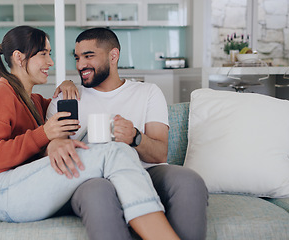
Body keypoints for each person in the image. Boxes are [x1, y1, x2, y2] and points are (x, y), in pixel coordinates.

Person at [0, 25, 181, 240]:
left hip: (24, 185)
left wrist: (69, 85)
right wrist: (44, 135)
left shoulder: (35, 101)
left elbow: (53, 127)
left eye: (50, 54)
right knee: (115, 152)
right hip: (0, 193)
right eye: (43, 54)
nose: (51, 62)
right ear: (19, 58)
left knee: (112, 149)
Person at [46, 27, 209, 240]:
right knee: (98, 192)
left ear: (113, 56)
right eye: (77, 58)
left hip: (146, 174)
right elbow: (55, 154)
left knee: (189, 181)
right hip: (92, 179)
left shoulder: (148, 92)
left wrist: (135, 137)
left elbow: (160, 154)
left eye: (88, 56)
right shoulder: (65, 99)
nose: (80, 65)